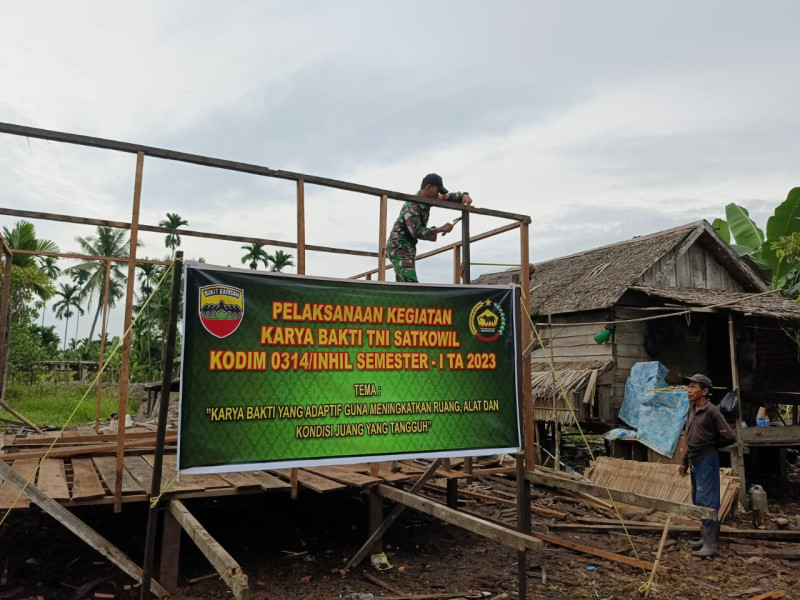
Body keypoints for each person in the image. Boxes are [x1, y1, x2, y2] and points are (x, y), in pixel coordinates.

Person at [678, 373, 737, 558]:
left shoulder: (712, 411)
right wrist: (684, 462)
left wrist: (711, 446)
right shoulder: (692, 409)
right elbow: (690, 438)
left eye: (694, 387)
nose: (689, 390)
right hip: (695, 458)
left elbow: (729, 436)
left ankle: (711, 545)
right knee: (698, 498)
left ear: (704, 391)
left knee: (708, 500)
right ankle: (705, 538)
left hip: (707, 459)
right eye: (689, 387)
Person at [386, 173, 472, 282]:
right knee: (409, 282)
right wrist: (440, 229)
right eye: (438, 190)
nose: (439, 194)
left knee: (402, 284)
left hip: (408, 247)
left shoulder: (427, 199)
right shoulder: (412, 205)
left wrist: (463, 195)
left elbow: (447, 197)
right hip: (398, 246)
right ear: (429, 187)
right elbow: (416, 232)